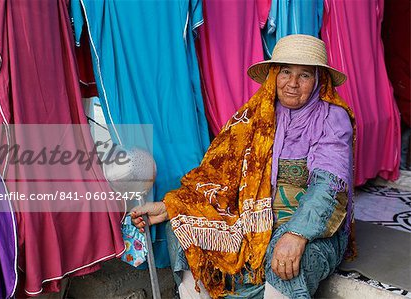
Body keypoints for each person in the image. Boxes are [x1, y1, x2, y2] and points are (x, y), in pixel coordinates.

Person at [131, 34, 356, 299]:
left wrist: (296, 234)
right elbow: (215, 176)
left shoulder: (331, 118)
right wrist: (172, 206)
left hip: (308, 229)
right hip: (253, 221)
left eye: (304, 75)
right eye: (285, 72)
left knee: (287, 259)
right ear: (274, 75)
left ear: (319, 80)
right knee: (183, 227)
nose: (293, 84)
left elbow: (328, 188)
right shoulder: (255, 115)